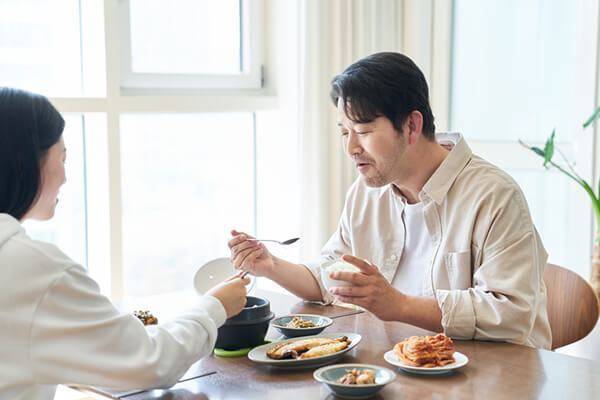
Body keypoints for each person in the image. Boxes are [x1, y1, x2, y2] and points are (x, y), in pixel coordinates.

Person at [229, 52, 552, 349]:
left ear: (411, 126)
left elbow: (511, 312)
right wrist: (270, 266)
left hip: (494, 372)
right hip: (400, 366)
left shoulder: (494, 195)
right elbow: (332, 276)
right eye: (344, 133)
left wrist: (399, 305)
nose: (351, 148)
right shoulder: (366, 192)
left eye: (363, 131)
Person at [0, 87, 250, 400]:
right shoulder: (34, 269)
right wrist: (214, 306)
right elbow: (151, 362)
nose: (64, 176)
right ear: (24, 161)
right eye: (62, 157)